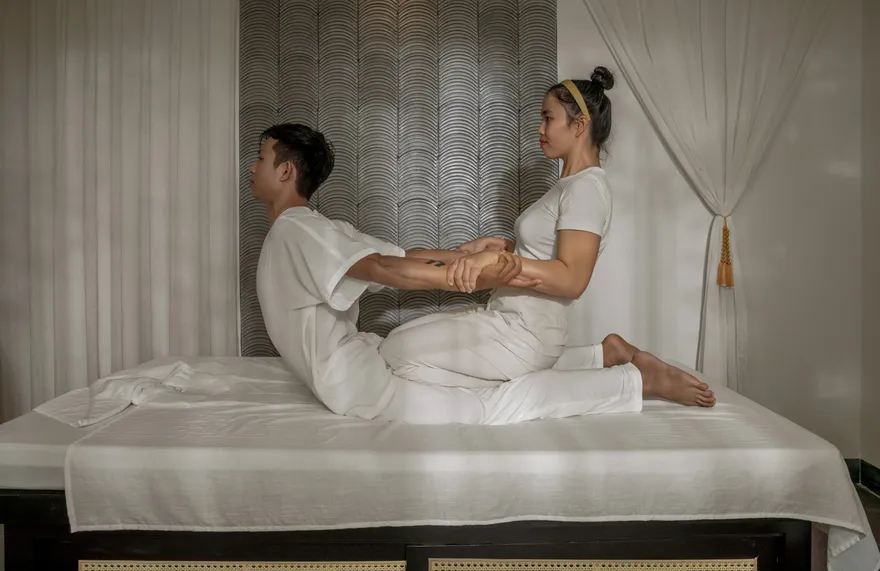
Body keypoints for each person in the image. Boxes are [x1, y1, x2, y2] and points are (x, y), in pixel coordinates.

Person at [251, 122, 714, 425]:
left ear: (286, 171)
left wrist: (471, 268)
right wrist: (467, 262)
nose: (251, 168)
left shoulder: (302, 230)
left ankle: (633, 381)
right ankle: (597, 358)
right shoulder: (311, 231)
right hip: (361, 369)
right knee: (473, 376)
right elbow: (394, 259)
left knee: (490, 408)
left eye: (260, 158)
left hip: (360, 385)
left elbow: (387, 263)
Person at [377, 68, 714, 409]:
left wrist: (501, 260)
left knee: (396, 353)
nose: (540, 128)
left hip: (526, 333)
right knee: (398, 341)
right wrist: (503, 247)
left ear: (579, 125)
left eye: (548, 118)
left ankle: (633, 381)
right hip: (510, 317)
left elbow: (572, 279)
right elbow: (548, 253)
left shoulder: (585, 189)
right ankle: (601, 357)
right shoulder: (569, 186)